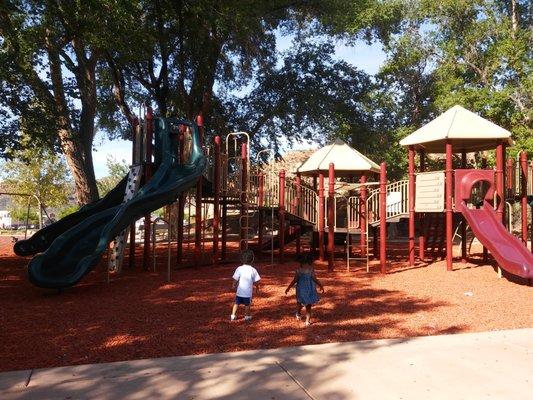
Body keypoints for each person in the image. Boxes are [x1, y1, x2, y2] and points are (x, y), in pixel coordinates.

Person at [285, 253, 325, 326]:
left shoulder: (299, 270)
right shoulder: (310, 270)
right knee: (307, 305)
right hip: (309, 289)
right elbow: (315, 279)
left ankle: (299, 314)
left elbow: (294, 280)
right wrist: (320, 285)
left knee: (300, 302)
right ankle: (307, 321)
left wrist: (288, 288)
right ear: (309, 262)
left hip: (301, 289)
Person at [230, 249, 260, 321]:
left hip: (239, 291)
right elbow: (257, 281)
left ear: (242, 259)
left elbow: (235, 278)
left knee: (236, 303)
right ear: (252, 259)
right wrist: (257, 287)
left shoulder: (239, 268)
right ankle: (247, 316)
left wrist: (233, 285)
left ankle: (233, 315)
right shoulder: (253, 270)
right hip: (247, 293)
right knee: (247, 304)